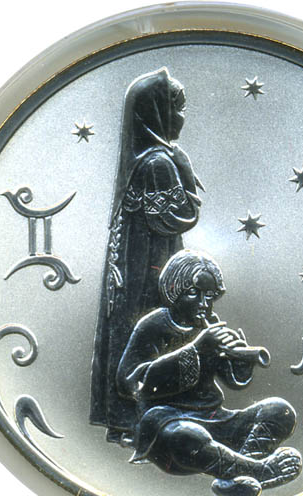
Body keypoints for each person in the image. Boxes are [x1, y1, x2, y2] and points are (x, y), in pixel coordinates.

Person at [117, 250, 301, 496]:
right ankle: (261, 471)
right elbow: (131, 383)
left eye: (209, 295)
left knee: (280, 410)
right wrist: (196, 349)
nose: (203, 303)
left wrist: (241, 361)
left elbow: (232, 380)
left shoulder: (209, 324)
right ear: (173, 291)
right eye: (194, 293)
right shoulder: (153, 325)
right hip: (168, 423)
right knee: (187, 437)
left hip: (215, 418)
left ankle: (234, 477)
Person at [90, 68, 204, 440]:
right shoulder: (158, 163)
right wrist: (185, 172)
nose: (183, 118)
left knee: (132, 333)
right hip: (149, 270)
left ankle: (125, 421)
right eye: (179, 108)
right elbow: (176, 217)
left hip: (140, 263)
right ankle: (140, 421)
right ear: (157, 113)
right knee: (150, 333)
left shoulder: (145, 160)